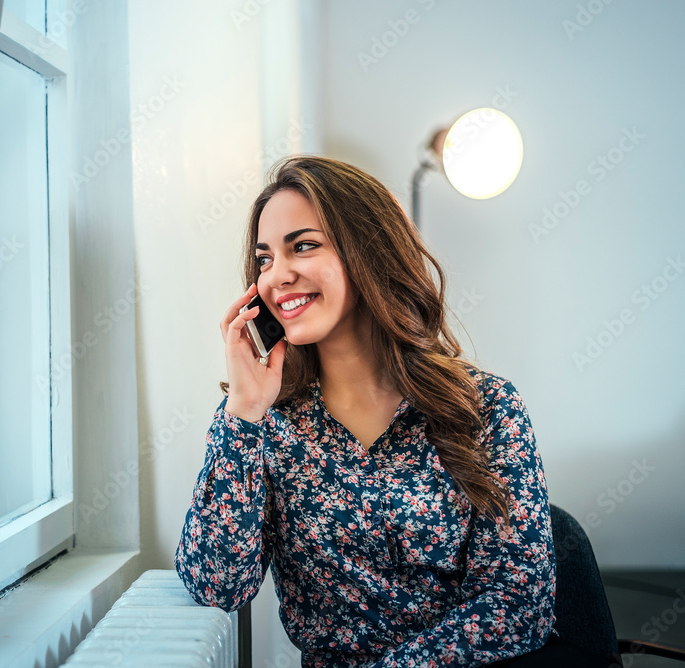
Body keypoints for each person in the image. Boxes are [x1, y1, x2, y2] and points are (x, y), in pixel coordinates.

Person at [174, 156, 606, 667]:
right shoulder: (263, 422)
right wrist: (243, 414)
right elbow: (215, 585)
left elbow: (518, 606)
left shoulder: (486, 407)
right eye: (264, 259)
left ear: (368, 253)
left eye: (304, 246)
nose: (277, 276)